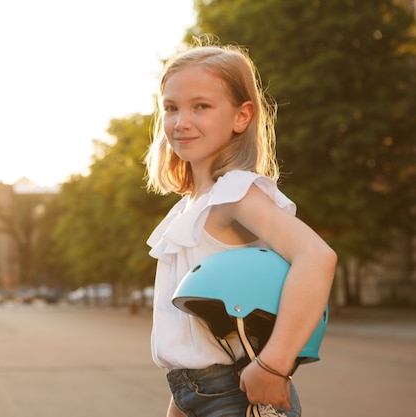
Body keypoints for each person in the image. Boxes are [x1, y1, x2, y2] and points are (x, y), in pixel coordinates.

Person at [144, 37, 337, 417]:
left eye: (201, 106)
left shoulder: (235, 193)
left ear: (241, 116)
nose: (182, 122)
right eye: (171, 108)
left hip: (239, 392)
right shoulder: (190, 206)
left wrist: (274, 364)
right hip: (193, 392)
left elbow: (316, 256)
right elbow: (192, 337)